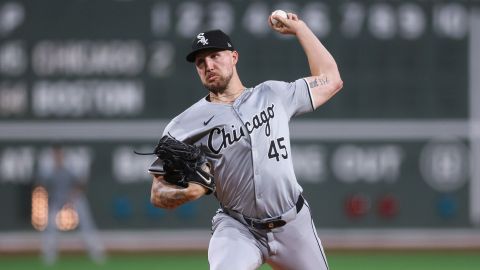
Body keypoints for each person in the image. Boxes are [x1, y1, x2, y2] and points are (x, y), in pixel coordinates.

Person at [149, 12, 342, 270]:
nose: (208, 65)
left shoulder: (273, 94)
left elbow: (332, 80)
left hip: (294, 224)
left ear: (234, 57)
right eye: (200, 61)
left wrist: (301, 29)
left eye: (215, 56)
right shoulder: (182, 126)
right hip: (238, 228)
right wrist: (185, 193)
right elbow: (157, 192)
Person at [37, 145, 105, 265]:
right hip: (57, 198)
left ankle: (96, 251)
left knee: (86, 222)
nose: (58, 156)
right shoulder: (48, 168)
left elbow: (80, 183)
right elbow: (43, 185)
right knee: (50, 225)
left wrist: (73, 194)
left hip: (73, 197)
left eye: (59, 153)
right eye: (56, 153)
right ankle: (49, 254)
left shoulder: (71, 165)